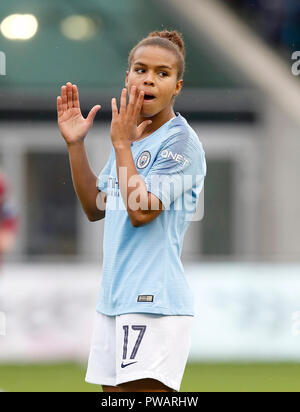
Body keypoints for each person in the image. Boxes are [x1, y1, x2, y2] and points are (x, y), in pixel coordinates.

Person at [57, 30, 206, 392]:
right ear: (127, 77)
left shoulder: (180, 144)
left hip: (153, 302)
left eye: (162, 73)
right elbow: (95, 206)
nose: (149, 79)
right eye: (140, 69)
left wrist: (122, 144)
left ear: (177, 86)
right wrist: (76, 145)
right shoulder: (132, 137)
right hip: (115, 299)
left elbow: (142, 212)